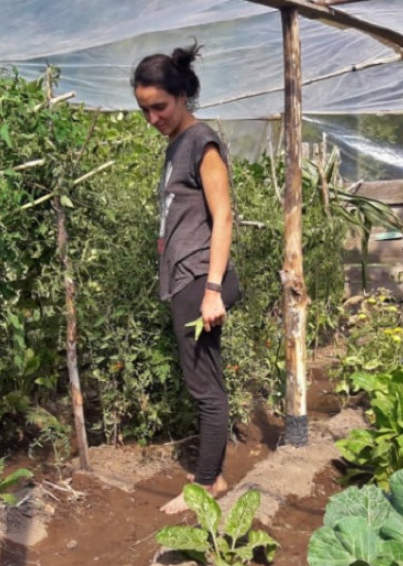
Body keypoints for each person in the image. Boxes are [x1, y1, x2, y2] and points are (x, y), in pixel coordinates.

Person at [132, 44, 241, 514]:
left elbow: (224, 216)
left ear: (182, 95)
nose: (152, 117)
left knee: (205, 388)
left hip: (200, 280)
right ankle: (211, 476)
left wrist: (213, 289)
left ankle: (207, 484)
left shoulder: (201, 142)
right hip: (186, 280)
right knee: (204, 383)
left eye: (160, 106)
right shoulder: (176, 145)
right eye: (144, 109)